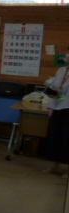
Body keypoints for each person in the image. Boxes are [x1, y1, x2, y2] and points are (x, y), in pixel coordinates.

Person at [44, 45, 69, 178]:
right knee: (54, 135)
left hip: (68, 109)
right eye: (67, 53)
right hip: (58, 106)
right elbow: (56, 87)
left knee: (67, 138)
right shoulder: (61, 70)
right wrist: (51, 91)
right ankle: (55, 165)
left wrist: (61, 96)